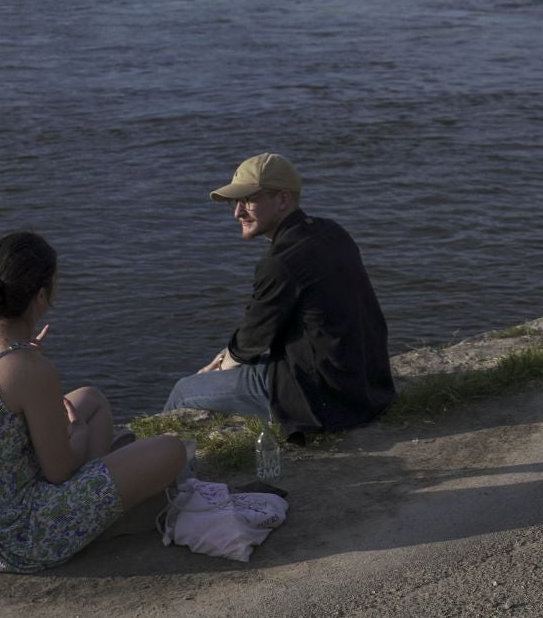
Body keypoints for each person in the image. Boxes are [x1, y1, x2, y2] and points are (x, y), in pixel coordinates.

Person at [0, 231, 186, 573]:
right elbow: (59, 471)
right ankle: (94, 522)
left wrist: (24, 353)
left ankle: (98, 505)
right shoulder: (28, 368)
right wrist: (75, 434)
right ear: (42, 295)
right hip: (7, 537)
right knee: (171, 450)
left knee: (91, 398)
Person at [164, 154, 395, 439]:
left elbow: (253, 339)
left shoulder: (282, 260)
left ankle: (163, 473)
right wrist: (227, 354)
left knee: (184, 390)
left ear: (282, 199)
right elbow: (267, 322)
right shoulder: (332, 231)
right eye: (234, 203)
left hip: (324, 401)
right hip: (369, 387)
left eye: (247, 200)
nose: (237, 212)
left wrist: (219, 368)